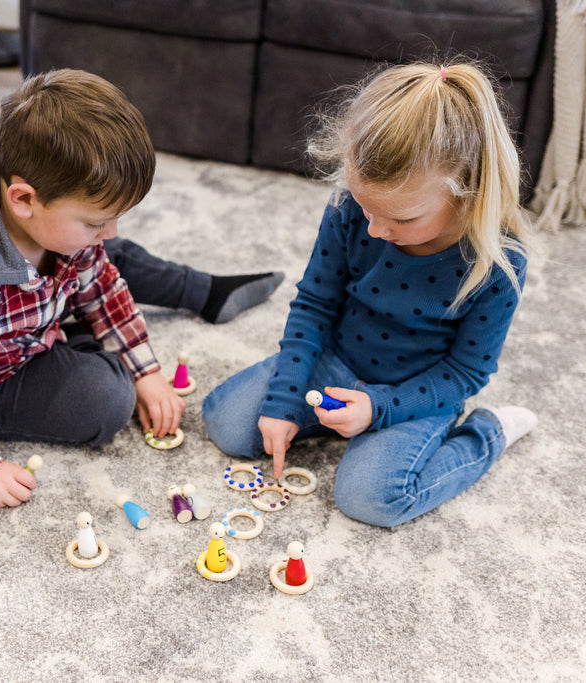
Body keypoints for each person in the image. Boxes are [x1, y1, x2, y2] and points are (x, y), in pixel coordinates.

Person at [0, 69, 282, 508]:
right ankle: (96, 336)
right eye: (96, 220)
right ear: (23, 200)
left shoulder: (48, 207)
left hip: (33, 310)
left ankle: (203, 290)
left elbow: (105, 287)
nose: (109, 230)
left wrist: (145, 369)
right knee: (106, 399)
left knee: (113, 255)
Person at [202, 60, 538, 528]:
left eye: (401, 220)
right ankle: (335, 419)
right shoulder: (348, 208)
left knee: (370, 499)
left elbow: (465, 371)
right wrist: (283, 400)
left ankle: (487, 434)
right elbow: (315, 305)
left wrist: (381, 409)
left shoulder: (499, 263)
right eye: (367, 207)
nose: (377, 229)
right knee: (227, 422)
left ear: (465, 191)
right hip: (338, 360)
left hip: (416, 389)